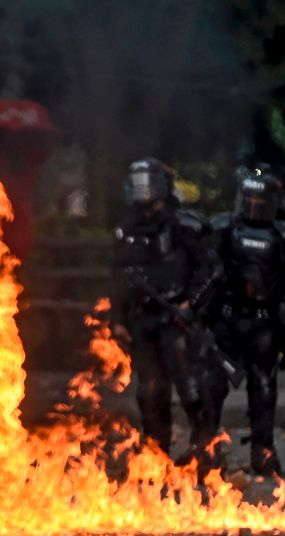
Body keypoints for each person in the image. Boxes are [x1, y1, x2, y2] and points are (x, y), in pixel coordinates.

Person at [111, 158, 222, 471]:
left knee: (192, 389)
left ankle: (206, 451)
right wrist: (118, 319)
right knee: (150, 393)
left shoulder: (185, 224)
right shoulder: (127, 228)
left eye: (148, 181)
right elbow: (119, 276)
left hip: (177, 320)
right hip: (144, 321)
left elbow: (211, 269)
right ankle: (155, 454)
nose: (142, 189)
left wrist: (191, 305)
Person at [210, 167, 285, 476]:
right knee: (213, 385)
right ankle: (206, 449)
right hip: (229, 321)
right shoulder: (225, 230)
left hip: (264, 324)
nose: (255, 205)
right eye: (251, 197)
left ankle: (263, 450)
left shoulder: (284, 238)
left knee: (263, 387)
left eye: (261, 198)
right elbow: (206, 274)